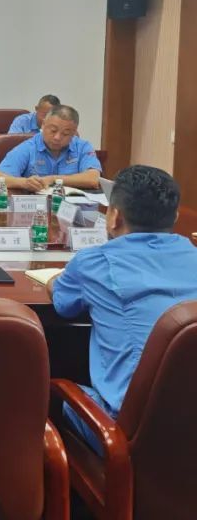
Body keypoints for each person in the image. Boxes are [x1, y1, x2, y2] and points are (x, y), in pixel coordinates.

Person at [47, 165, 197, 454]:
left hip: (128, 440)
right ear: (175, 217)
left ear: (114, 216)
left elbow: (64, 304)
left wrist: (54, 280)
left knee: (57, 392)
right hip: (189, 432)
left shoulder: (95, 262)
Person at [0, 105, 101, 190]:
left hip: (73, 207)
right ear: (43, 125)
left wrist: (53, 179)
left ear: (74, 132)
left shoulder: (82, 147)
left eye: (65, 134)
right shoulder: (29, 147)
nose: (57, 137)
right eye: (53, 130)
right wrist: (24, 183)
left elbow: (93, 179)